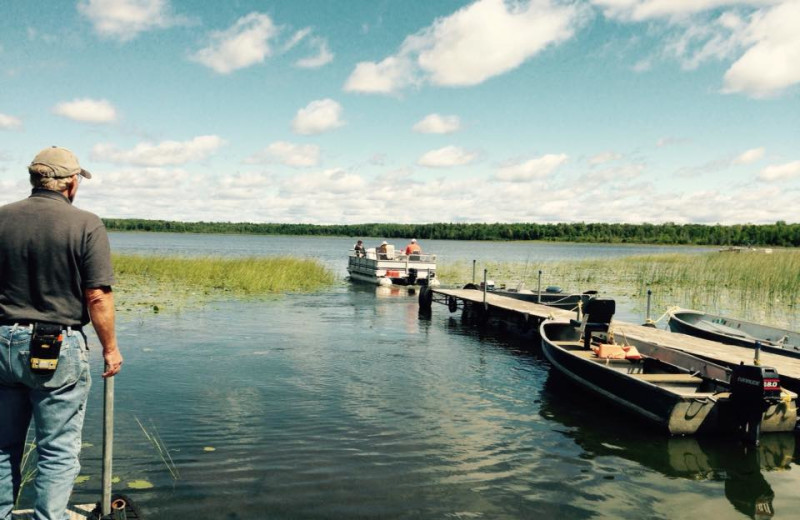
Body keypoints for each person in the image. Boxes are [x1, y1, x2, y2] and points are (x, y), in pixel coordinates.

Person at [0, 146, 123, 520]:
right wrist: (111, 348)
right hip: (57, 346)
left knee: (3, 447)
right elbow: (97, 296)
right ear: (71, 183)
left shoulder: (2, 218)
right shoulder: (86, 224)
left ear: (36, 179)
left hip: (3, 342)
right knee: (57, 449)